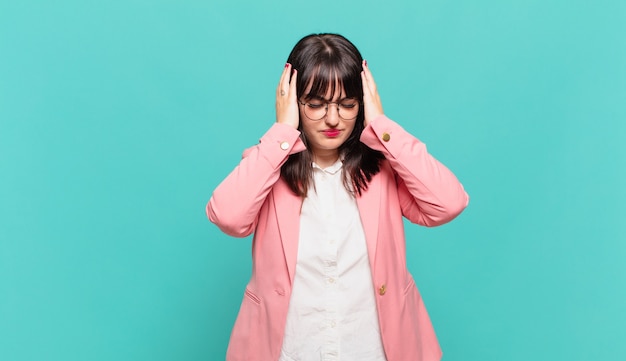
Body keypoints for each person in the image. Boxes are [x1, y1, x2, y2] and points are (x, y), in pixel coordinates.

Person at [207, 33, 469, 361]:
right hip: (290, 350)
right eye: (316, 104)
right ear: (292, 101)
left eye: (347, 104)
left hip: (374, 349)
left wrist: (383, 127)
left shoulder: (385, 169)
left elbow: (449, 203)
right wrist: (282, 133)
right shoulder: (266, 167)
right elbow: (227, 216)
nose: (333, 120)